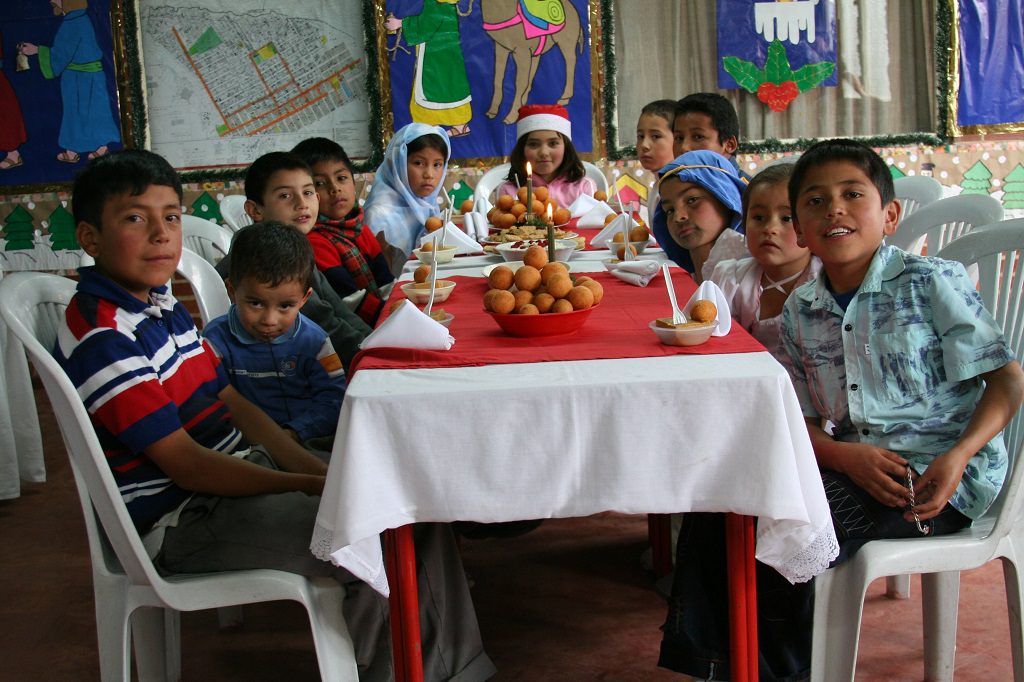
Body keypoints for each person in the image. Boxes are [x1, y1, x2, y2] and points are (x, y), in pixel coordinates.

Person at [57, 149, 496, 682]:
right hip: (182, 519)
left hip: (232, 478)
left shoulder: (158, 304)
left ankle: (444, 666)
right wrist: (305, 482)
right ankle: (414, 671)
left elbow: (231, 403)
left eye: (170, 216)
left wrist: (312, 471)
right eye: (135, 218)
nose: (161, 233)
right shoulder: (105, 335)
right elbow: (187, 465)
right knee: (369, 525)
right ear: (90, 238)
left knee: (405, 491)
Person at [659, 138, 1024, 681]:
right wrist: (841, 457)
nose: (834, 209)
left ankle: (778, 672)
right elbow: (802, 418)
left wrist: (958, 458)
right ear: (803, 231)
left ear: (889, 214)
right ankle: (718, 665)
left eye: (853, 194)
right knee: (724, 496)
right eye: (814, 201)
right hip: (855, 466)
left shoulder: (930, 283)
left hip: (936, 480)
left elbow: (1007, 380)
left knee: (788, 522)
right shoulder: (802, 311)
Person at [202, 221, 346, 449]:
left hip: (307, 440)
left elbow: (334, 398)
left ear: (304, 298)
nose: (269, 320)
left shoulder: (315, 342)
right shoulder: (215, 341)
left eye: (286, 306)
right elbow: (208, 402)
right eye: (256, 303)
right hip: (243, 448)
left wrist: (295, 432)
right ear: (232, 291)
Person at [225, 151, 371, 372]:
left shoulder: (295, 245)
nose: (302, 204)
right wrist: (370, 353)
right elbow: (324, 323)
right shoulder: (267, 255)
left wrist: (373, 340)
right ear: (255, 210)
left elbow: (338, 309)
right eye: (285, 196)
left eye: (308, 192)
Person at [709, 161, 819, 353]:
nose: (770, 229)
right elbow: (717, 343)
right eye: (758, 218)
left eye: (787, 218)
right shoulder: (730, 277)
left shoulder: (826, 284)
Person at [291, 137, 395, 326]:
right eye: (320, 184)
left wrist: (399, 303)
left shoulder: (359, 227)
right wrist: (390, 316)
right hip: (355, 326)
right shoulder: (314, 241)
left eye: (341, 178)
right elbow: (350, 300)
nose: (334, 188)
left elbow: (385, 281)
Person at [18, 0, 121, 163]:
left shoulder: (73, 22)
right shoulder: (78, 18)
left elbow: (62, 53)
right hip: (86, 77)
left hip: (81, 78)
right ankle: (98, 148)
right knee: (91, 113)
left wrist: (37, 50)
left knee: (80, 114)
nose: (52, 0)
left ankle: (74, 151)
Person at [363, 122, 451, 273]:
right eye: (419, 163)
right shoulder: (379, 214)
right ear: (398, 162)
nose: (429, 174)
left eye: (437, 165)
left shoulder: (426, 203)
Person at [653, 149, 749, 282]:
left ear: (726, 199)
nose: (678, 217)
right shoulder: (680, 281)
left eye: (692, 200)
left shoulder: (756, 281)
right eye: (669, 210)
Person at [384, 0, 472, 137]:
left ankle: (428, 125)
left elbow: (427, 25)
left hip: (433, 57)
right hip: (449, 55)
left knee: (431, 90)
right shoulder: (448, 4)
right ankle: (460, 125)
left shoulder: (436, 4)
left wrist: (400, 23)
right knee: (453, 88)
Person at [498, 104, 596, 208]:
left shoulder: (584, 187)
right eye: (533, 144)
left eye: (553, 143)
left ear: (566, 147)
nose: (544, 152)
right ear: (521, 149)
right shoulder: (509, 190)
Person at [673, 92, 750, 181]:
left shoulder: (749, 192)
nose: (684, 148)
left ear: (730, 144)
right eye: (679, 138)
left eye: (698, 137)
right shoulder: (674, 188)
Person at [635, 99, 679, 227]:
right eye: (640, 136)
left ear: (678, 139)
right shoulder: (658, 183)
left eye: (655, 136)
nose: (644, 145)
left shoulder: (679, 190)